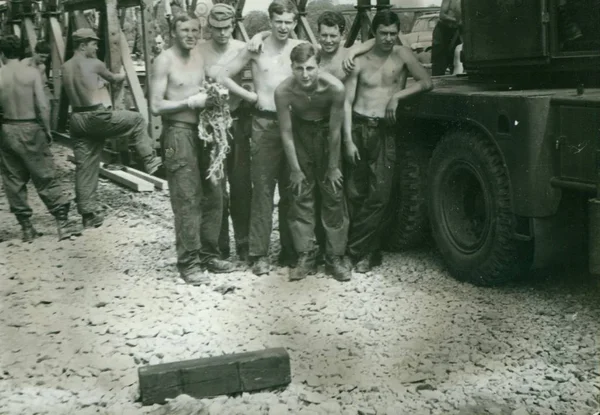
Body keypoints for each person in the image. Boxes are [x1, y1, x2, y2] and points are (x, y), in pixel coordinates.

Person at [217, 0, 304, 276]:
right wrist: (250, 96)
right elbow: (222, 75)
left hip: (293, 124)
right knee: (263, 190)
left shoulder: (298, 49)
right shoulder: (256, 47)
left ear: (295, 22)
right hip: (264, 122)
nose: (283, 27)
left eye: (289, 21)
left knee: (292, 188)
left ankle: (291, 250)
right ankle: (259, 254)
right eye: (278, 21)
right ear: (270, 21)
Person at [344, 10, 432, 273]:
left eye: (393, 33)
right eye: (383, 33)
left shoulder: (402, 55)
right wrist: (347, 140)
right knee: (355, 192)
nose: (388, 38)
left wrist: (398, 96)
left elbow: (426, 82)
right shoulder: (360, 60)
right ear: (374, 33)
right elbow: (347, 103)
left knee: (380, 194)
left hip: (385, 130)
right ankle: (366, 251)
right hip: (360, 127)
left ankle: (356, 251)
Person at [150, 14, 235, 285]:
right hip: (178, 133)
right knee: (187, 199)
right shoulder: (164, 60)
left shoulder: (198, 56)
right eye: (184, 30)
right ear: (173, 32)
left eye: (195, 30)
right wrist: (189, 102)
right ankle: (189, 262)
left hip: (204, 132)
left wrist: (213, 97)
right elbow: (156, 106)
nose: (190, 34)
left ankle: (209, 254)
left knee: (214, 194)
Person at [62, 28, 162, 229]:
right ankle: (150, 160)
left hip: (76, 119)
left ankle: (88, 215)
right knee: (136, 119)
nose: (96, 48)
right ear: (83, 45)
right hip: (95, 116)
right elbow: (115, 79)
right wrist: (123, 74)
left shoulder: (65, 67)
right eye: (94, 44)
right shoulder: (94, 64)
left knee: (85, 167)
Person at [274, 43, 351, 282]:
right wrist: (295, 169)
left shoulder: (335, 88)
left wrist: (333, 166)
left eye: (310, 68)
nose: (305, 74)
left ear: (319, 66)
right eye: (299, 69)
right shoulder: (283, 91)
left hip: (327, 135)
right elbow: (286, 132)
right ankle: (305, 254)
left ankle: (334, 257)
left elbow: (336, 129)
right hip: (299, 135)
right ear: (292, 68)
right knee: (300, 195)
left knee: (333, 194)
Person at [0, 35, 81, 242]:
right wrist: (46, 130)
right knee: (45, 175)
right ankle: (62, 225)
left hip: (8, 128)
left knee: (13, 179)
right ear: (22, 51)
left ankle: (27, 229)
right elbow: (44, 106)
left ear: (2, 53)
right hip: (31, 126)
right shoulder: (32, 73)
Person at [200, 3, 252, 261]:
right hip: (211, 124)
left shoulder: (242, 49)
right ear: (210, 27)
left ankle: (244, 242)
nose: (221, 33)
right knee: (215, 188)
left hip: (238, 120)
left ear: (233, 26)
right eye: (216, 28)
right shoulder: (200, 51)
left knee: (242, 185)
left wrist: (261, 35)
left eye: (226, 28)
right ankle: (218, 246)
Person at [248, 10, 372, 82]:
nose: (328, 41)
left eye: (333, 36)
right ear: (318, 33)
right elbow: (281, 36)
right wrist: (259, 35)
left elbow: (376, 41)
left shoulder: (350, 54)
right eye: (324, 35)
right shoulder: (312, 52)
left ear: (342, 34)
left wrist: (353, 52)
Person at [431, 0, 462, 76]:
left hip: (456, 30)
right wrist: (456, 20)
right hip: (442, 30)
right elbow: (442, 15)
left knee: (455, 58)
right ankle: (437, 82)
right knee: (439, 61)